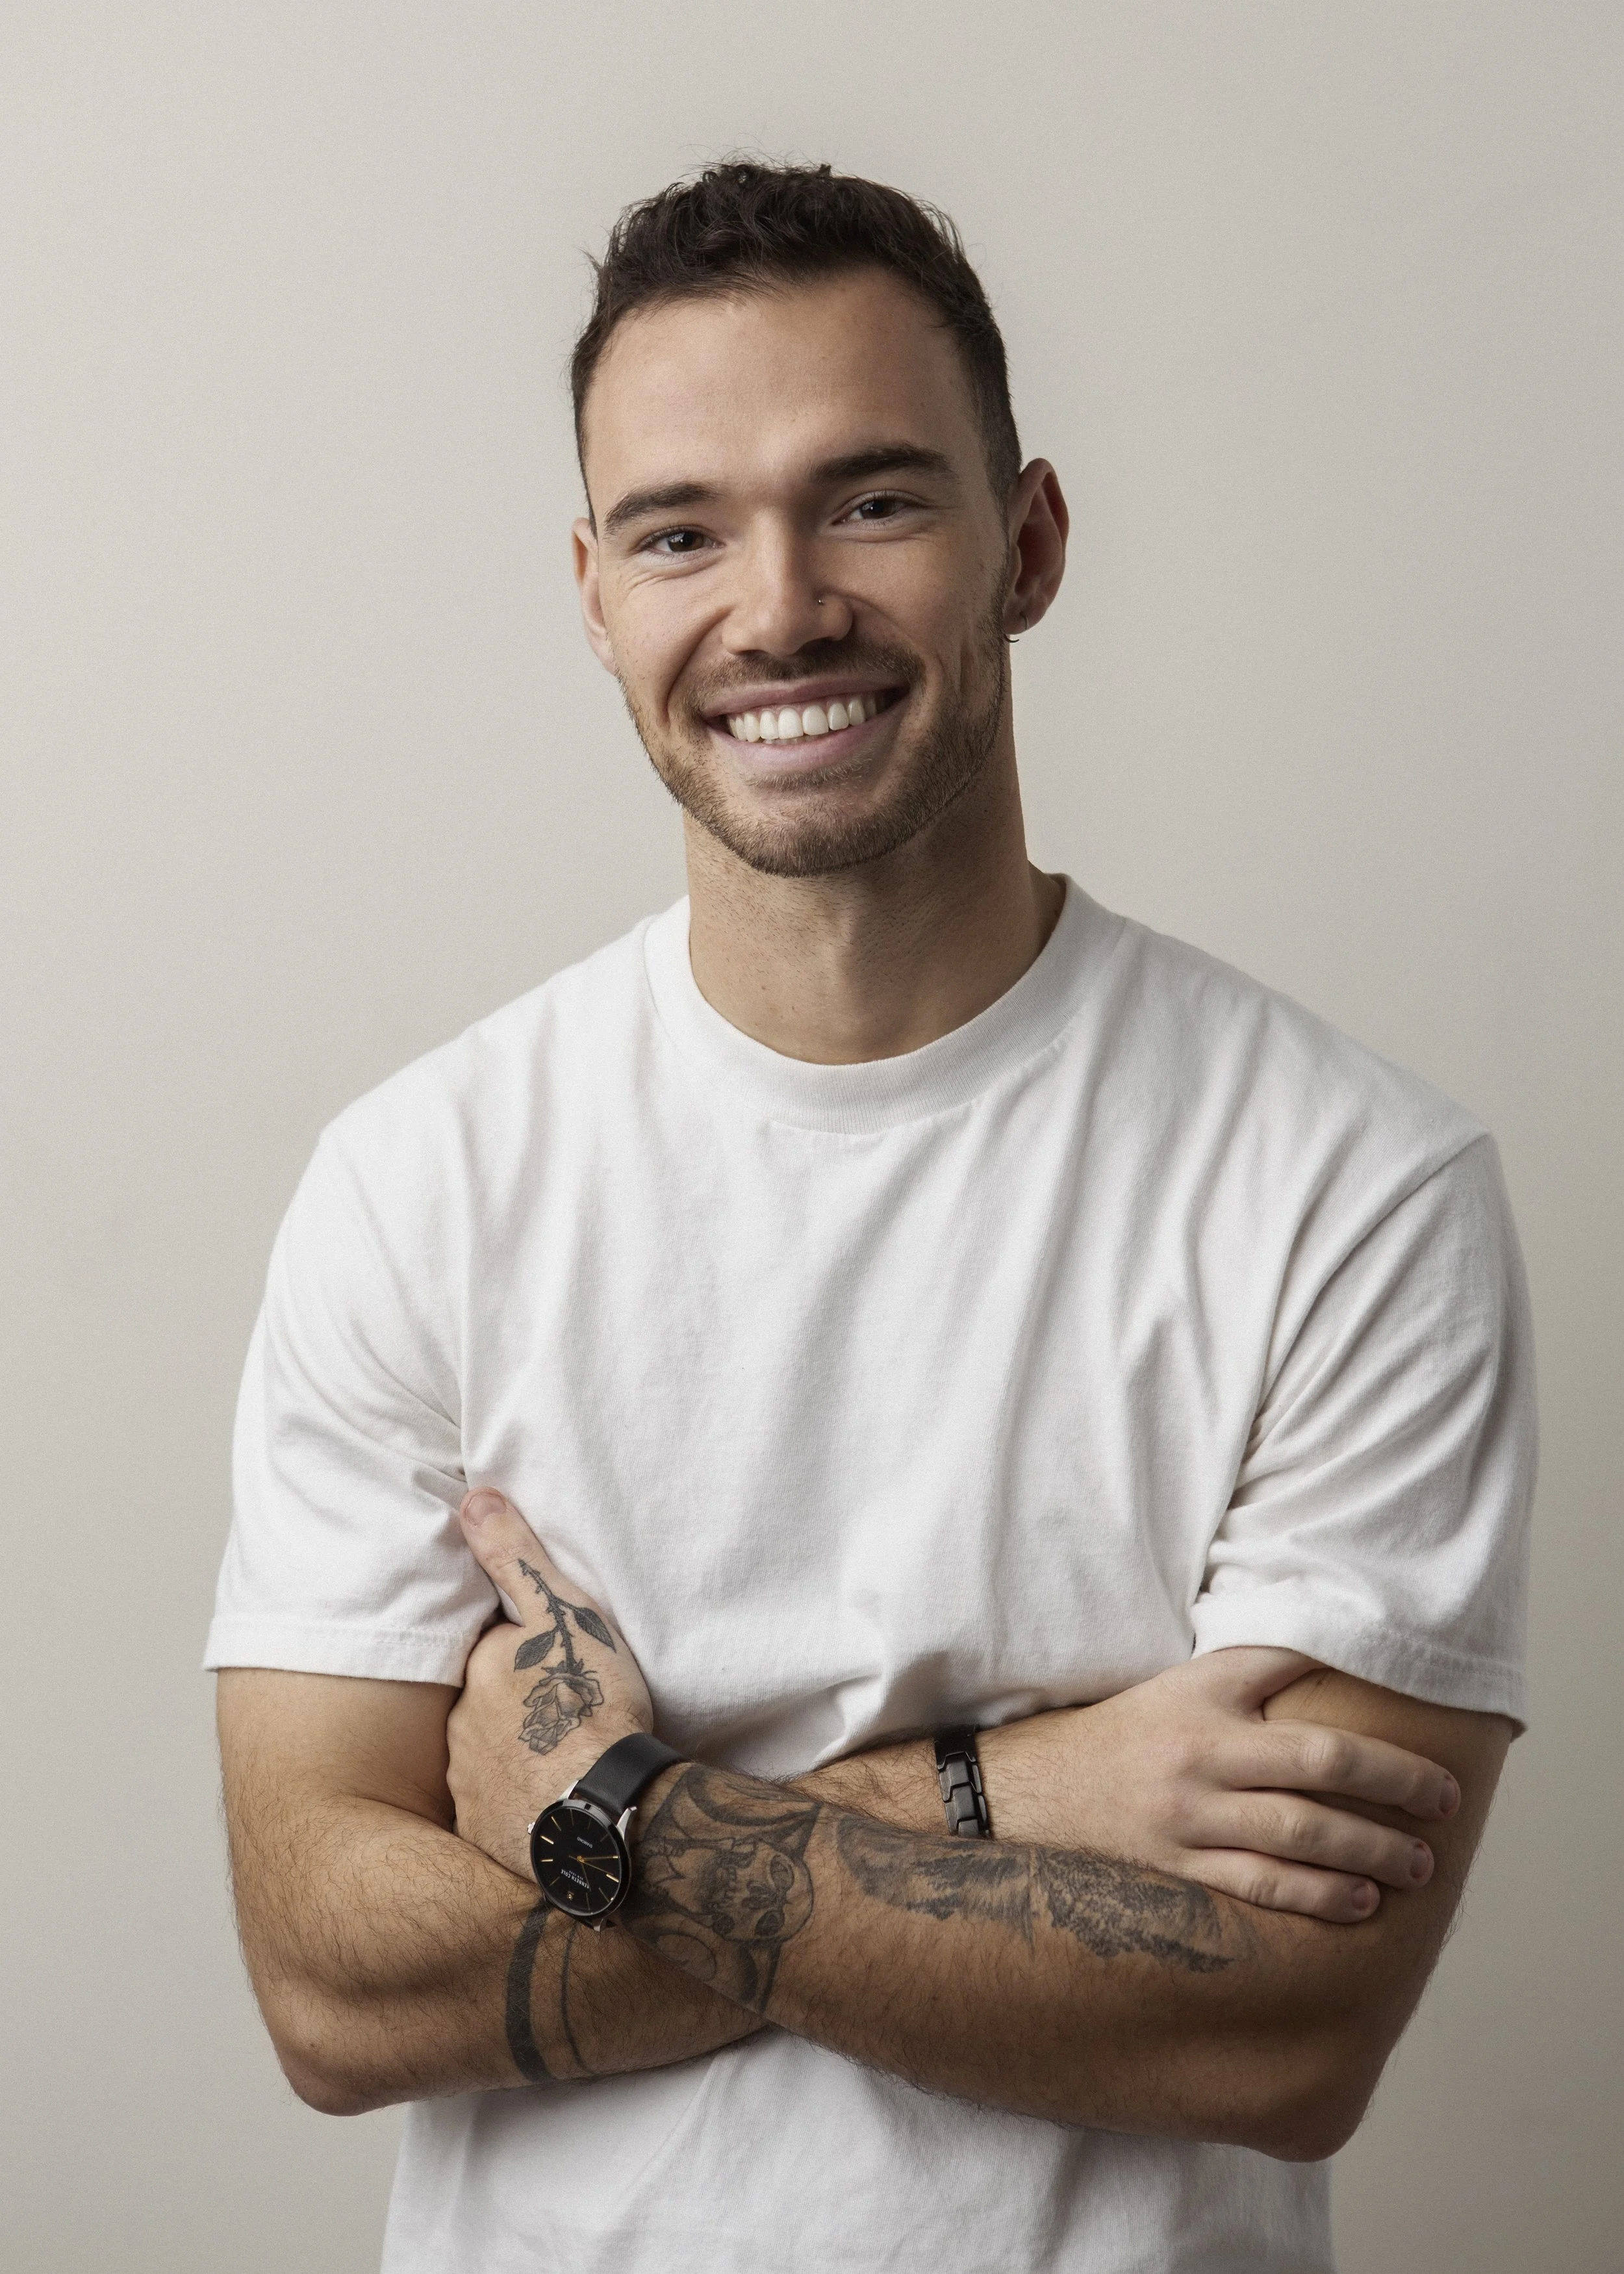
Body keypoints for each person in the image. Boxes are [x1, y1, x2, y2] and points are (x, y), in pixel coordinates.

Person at [209, 162, 1534, 2274]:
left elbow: (1282, 2028)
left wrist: (609, 1805)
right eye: (678, 530)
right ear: (590, 593)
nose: (778, 605)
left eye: (871, 500)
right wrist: (1013, 1799)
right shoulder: (420, 1184)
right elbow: (331, 1986)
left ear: (1027, 544)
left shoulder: (1347, 1189)